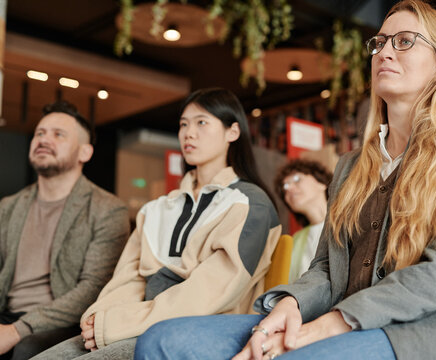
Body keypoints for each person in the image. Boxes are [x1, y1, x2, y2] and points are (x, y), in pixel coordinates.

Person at [133, 1, 436, 359]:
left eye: (404, 42)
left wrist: (336, 322)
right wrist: (290, 305)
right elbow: (326, 270)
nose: (384, 52)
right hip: (344, 320)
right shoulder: (351, 166)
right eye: (379, 43)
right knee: (162, 341)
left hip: (435, 332)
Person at [33, 88, 282, 359]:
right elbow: (129, 277)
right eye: (183, 124)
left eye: (201, 122)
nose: (189, 133)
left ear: (232, 132)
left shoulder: (249, 203)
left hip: (204, 332)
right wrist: (100, 317)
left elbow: (210, 295)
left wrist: (118, 324)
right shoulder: (158, 208)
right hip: (139, 324)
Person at [0, 101, 130, 360]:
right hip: (7, 313)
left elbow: (92, 288)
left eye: (58, 134)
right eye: (40, 133)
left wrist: (17, 330)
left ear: (85, 152)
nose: (44, 139)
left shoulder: (108, 209)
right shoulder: (8, 206)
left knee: (26, 348)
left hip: (61, 323)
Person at [273, 160, 332, 282]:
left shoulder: (351, 224)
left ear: (322, 183)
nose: (289, 188)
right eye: (285, 187)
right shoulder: (294, 240)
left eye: (296, 179)